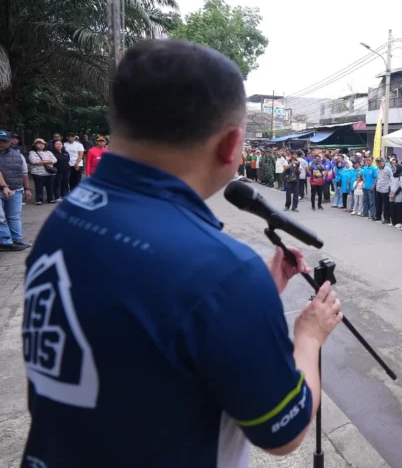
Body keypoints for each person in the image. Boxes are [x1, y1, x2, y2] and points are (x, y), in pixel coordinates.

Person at [20, 39, 343, 465]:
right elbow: (283, 432)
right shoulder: (224, 271)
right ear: (231, 144)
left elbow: (146, 314)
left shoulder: (67, 215)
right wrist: (310, 334)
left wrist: (251, 292)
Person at [0, 129, 32, 250]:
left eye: (4, 141)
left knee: (14, 217)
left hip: (16, 190)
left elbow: (24, 173)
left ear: (10, 142)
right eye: (0, 141)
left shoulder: (18, 155)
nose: (2, 143)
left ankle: (16, 239)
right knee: (0, 217)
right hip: (3, 189)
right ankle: (5, 241)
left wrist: (27, 188)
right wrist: (4, 186)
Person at [28, 138, 57, 205]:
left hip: (50, 173)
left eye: (43, 144)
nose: (41, 145)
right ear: (35, 145)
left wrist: (42, 162)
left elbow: (55, 160)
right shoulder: (32, 153)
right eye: (39, 143)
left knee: (50, 187)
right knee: (39, 187)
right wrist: (49, 161)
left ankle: (50, 199)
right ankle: (39, 200)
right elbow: (35, 161)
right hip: (38, 173)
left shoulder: (48, 152)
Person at [374, 158, 393, 224]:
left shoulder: (387, 169)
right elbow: (377, 178)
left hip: (385, 189)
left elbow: (391, 178)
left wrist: (389, 187)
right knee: (378, 204)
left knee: (386, 205)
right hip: (378, 188)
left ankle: (387, 219)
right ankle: (378, 216)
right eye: (377, 163)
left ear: (383, 162)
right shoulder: (377, 169)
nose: (379, 164)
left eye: (380, 162)